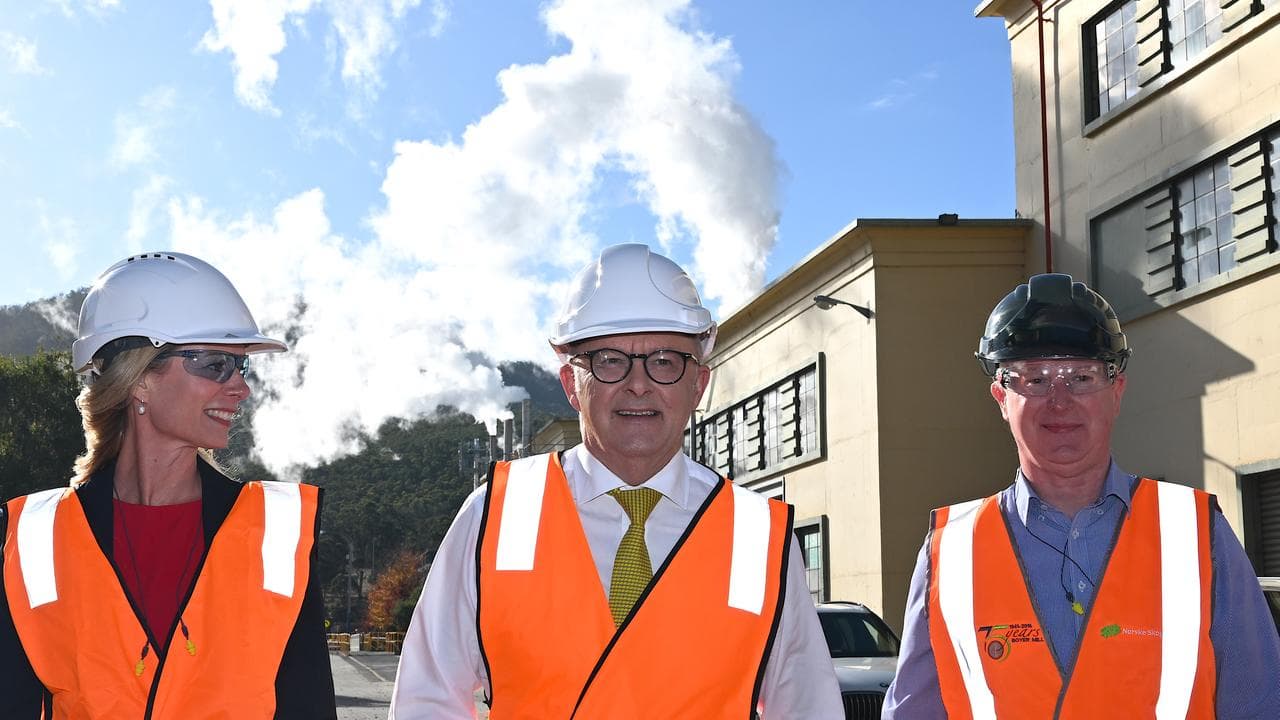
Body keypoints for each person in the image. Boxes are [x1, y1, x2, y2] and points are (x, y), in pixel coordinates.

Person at [391, 243, 842, 719]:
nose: (639, 383)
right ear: (570, 385)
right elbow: (429, 696)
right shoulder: (499, 515)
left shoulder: (755, 534)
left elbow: (807, 705)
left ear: (699, 386)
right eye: (609, 360)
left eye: (666, 360)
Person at [883, 273, 1280, 718]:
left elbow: (1260, 702)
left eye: (1081, 376)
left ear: (1117, 390)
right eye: (1034, 379)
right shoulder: (949, 552)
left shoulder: (1199, 534)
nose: (1059, 400)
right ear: (1000, 397)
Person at [0, 252, 337, 719]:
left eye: (243, 367)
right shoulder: (32, 537)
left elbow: (308, 706)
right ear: (138, 380)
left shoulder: (278, 532)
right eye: (217, 364)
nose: (242, 388)